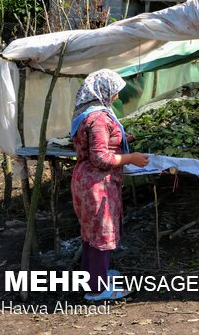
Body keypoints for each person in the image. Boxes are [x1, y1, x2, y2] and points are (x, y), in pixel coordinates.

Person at [70, 69, 149, 301]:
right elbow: (101, 158)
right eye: (114, 92)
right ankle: (97, 289)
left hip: (87, 181)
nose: (116, 96)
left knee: (90, 233)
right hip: (97, 184)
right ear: (103, 91)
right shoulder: (99, 119)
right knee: (101, 234)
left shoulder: (89, 113)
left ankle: (94, 275)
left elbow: (99, 142)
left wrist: (123, 138)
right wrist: (131, 157)